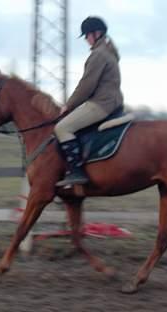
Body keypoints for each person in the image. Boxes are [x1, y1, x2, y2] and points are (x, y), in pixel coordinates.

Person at [54, 16, 124, 187]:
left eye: (86, 35)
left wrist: (68, 106)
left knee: (62, 127)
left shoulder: (98, 55)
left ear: (96, 34)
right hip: (113, 102)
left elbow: (86, 86)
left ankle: (76, 171)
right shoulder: (109, 52)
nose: (86, 39)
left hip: (101, 104)